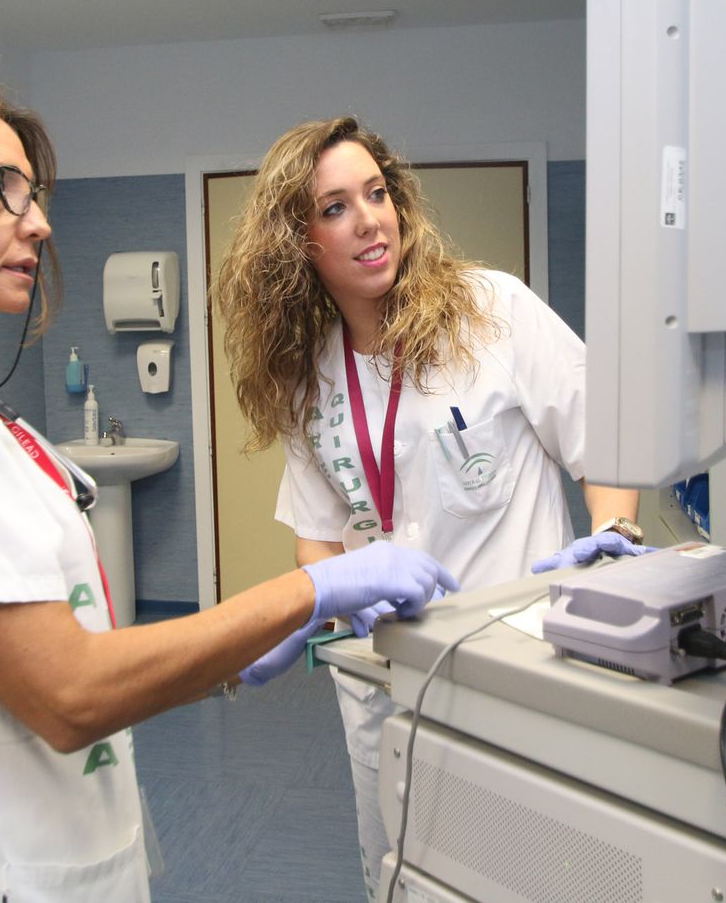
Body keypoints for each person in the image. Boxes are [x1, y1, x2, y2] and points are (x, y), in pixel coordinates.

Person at [0, 24, 455, 901]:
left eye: (32, 191)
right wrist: (311, 591)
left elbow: (51, 652)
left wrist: (229, 659)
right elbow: (68, 692)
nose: (39, 222)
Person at [213, 115, 642, 897]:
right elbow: (317, 537)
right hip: (384, 682)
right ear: (298, 241)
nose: (370, 218)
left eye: (377, 193)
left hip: (515, 668)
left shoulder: (493, 312)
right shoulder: (310, 379)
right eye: (336, 206)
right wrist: (344, 603)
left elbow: (603, 438)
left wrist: (613, 533)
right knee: (400, 873)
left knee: (525, 875)